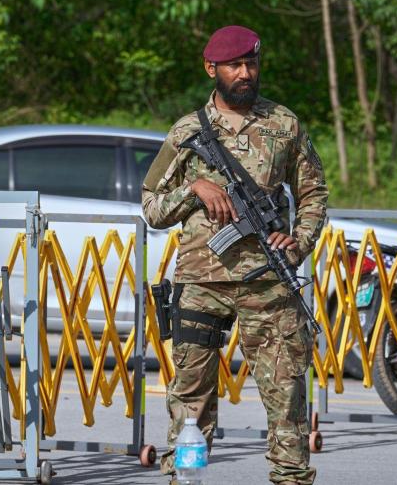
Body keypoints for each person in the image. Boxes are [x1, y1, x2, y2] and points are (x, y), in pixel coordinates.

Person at [142, 25, 328, 484]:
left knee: (286, 395)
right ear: (212, 69)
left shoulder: (284, 125)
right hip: (201, 282)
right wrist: (194, 189)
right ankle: (186, 478)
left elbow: (314, 194)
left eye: (251, 64)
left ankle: (290, 478)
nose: (245, 73)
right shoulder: (187, 131)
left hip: (268, 281)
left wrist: (299, 241)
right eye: (234, 66)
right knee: (191, 398)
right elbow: (152, 207)